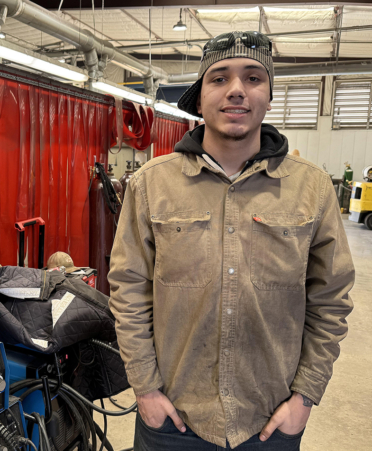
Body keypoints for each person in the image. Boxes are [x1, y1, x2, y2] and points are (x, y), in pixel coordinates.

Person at [108, 31, 355, 451]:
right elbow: (129, 289)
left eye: (254, 78)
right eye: (219, 78)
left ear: (270, 95)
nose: (237, 90)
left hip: (271, 420)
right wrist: (145, 389)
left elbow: (330, 299)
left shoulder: (311, 189)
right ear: (199, 99)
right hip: (173, 417)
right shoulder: (153, 184)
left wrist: (305, 397)